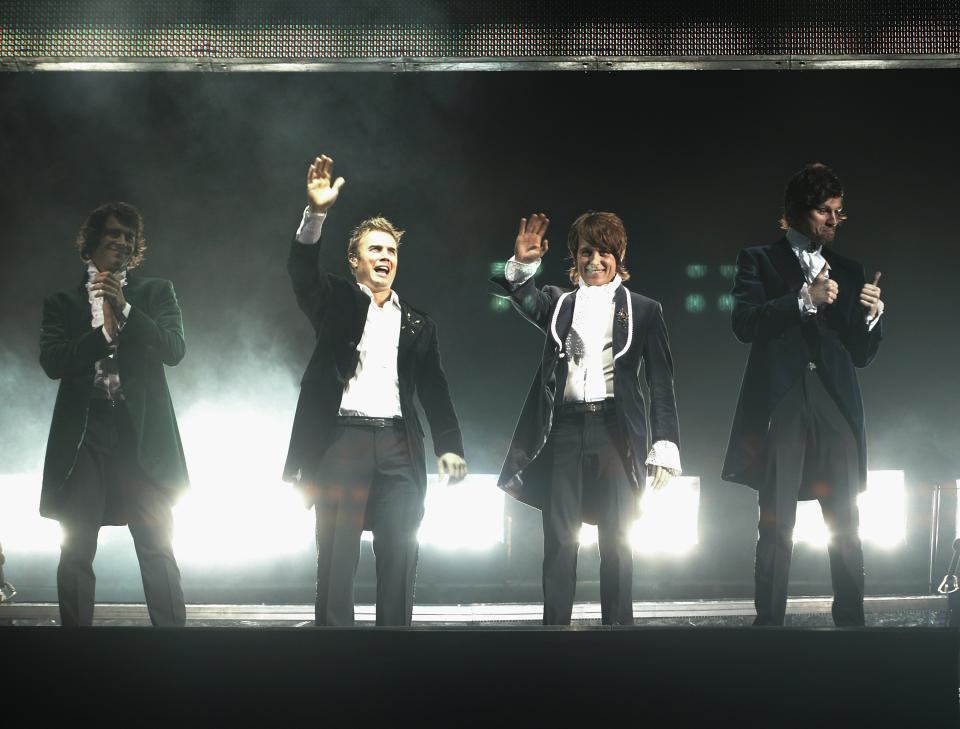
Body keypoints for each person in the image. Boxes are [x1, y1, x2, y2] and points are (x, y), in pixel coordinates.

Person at [283, 155, 467, 626]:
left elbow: (436, 389)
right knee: (338, 560)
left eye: (391, 251)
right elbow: (302, 273)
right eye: (375, 250)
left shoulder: (418, 323)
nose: (385, 258)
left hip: (399, 446)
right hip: (342, 440)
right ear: (356, 260)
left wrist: (449, 446)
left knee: (402, 551)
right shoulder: (336, 301)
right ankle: (333, 660)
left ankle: (394, 657)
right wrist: (316, 213)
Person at [492, 211, 681, 625]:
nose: (594, 261)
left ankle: (618, 633)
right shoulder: (560, 303)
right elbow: (525, 298)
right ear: (574, 257)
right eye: (585, 252)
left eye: (603, 252)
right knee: (560, 538)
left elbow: (661, 384)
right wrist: (523, 265)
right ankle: (554, 635)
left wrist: (665, 445)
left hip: (616, 432)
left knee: (617, 539)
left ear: (620, 254)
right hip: (564, 430)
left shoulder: (645, 309)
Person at [722, 163, 884, 626]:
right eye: (823, 211)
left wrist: (871, 318)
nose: (833, 221)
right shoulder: (759, 259)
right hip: (783, 400)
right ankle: (769, 624)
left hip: (835, 402)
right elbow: (744, 324)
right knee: (775, 521)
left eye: (838, 212)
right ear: (795, 212)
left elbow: (860, 353)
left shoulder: (850, 269)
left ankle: (852, 622)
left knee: (846, 522)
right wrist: (802, 299)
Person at [39, 202, 189, 627]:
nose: (123, 242)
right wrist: (101, 335)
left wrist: (124, 310)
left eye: (129, 236)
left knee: (157, 543)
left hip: (138, 433)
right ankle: (75, 652)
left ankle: (176, 649)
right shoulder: (63, 303)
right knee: (76, 548)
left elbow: (174, 350)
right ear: (92, 242)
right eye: (114, 233)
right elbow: (53, 361)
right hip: (87, 433)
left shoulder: (156, 292)